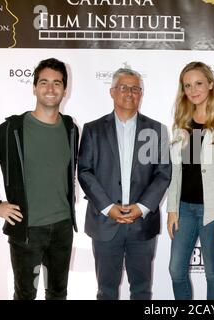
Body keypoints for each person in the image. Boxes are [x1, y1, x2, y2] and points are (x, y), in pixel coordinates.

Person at [0, 58, 79, 300]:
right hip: (27, 229)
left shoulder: (71, 128)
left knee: (58, 294)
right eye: (44, 82)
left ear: (64, 89)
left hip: (62, 227)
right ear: (34, 87)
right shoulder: (13, 129)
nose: (51, 89)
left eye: (57, 83)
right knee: (25, 294)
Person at [78, 68, 171, 300]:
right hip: (104, 223)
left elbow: (163, 173)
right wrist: (109, 207)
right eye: (124, 87)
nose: (130, 93)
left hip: (142, 224)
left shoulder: (156, 130)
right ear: (112, 92)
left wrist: (142, 207)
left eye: (135, 88)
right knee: (106, 291)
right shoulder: (93, 129)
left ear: (141, 93)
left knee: (141, 290)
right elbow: (85, 171)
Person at [167, 62, 214, 300]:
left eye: (198, 83)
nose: (193, 90)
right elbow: (176, 170)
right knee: (175, 269)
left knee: (213, 273)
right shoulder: (182, 121)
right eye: (187, 85)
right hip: (184, 209)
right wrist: (171, 209)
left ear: (210, 84)